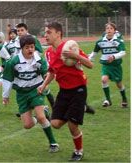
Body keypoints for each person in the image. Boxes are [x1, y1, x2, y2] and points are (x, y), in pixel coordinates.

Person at [38, 22, 93, 161]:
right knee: (55, 124)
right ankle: (82, 108)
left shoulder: (70, 46)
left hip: (78, 89)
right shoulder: (48, 53)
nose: (46, 35)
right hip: (64, 91)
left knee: (72, 124)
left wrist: (76, 57)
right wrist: (43, 85)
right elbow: (51, 72)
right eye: (45, 32)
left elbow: (90, 64)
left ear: (58, 33)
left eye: (49, 32)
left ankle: (78, 151)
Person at [2, 35, 59, 153]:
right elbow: (8, 79)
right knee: (27, 125)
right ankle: (45, 112)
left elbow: (46, 74)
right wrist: (5, 95)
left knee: (41, 116)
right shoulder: (13, 62)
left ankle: (53, 143)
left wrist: (45, 81)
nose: (30, 50)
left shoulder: (39, 60)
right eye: (27, 47)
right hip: (21, 94)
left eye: (32, 47)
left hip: (36, 90)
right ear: (21, 48)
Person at [89, 22, 127, 108]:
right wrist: (88, 59)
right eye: (107, 28)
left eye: (111, 28)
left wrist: (114, 56)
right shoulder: (100, 42)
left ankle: (124, 98)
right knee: (104, 80)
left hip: (116, 66)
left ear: (114, 31)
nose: (109, 30)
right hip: (106, 65)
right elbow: (94, 53)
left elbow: (123, 52)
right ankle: (108, 100)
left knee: (119, 84)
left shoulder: (118, 41)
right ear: (105, 30)